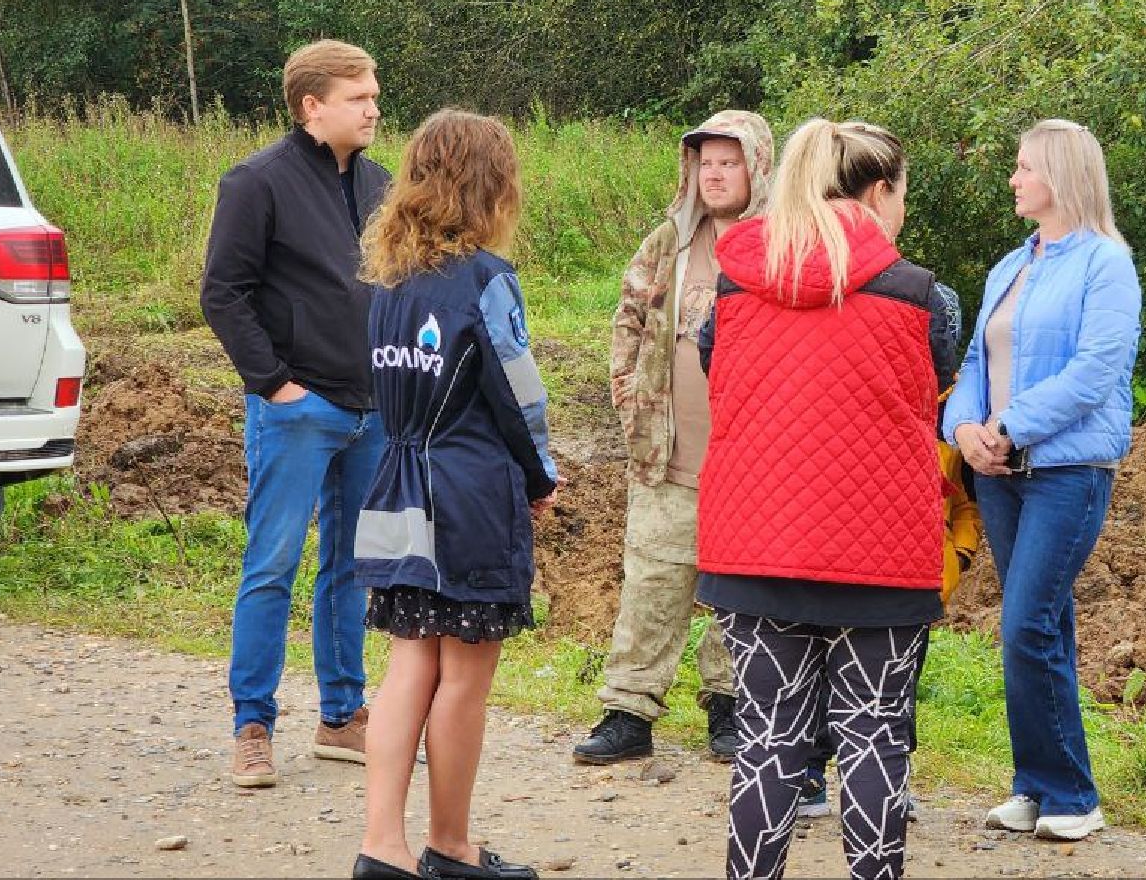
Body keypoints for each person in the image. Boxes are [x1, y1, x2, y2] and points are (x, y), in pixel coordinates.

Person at [696, 118, 961, 880]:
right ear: (879, 192)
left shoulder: (734, 284)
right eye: (902, 193)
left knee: (766, 743)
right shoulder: (922, 297)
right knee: (875, 738)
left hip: (754, 543)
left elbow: (718, 378)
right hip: (881, 556)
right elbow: (934, 389)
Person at [350, 110, 558, 880]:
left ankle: (381, 846)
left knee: (408, 665)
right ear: (491, 185)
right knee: (464, 676)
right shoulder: (487, 281)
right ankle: (451, 844)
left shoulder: (389, 281)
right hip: (467, 490)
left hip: (396, 481)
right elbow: (519, 397)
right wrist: (540, 479)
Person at [942, 119, 1141, 842]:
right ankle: (1036, 787)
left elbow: (1094, 373)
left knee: (1025, 624)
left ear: (1060, 175)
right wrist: (965, 432)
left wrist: (1009, 425)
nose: (1013, 179)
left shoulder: (1105, 264)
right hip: (999, 473)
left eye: (1024, 168)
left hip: (1065, 470)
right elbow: (971, 365)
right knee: (1041, 626)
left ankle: (1071, 795)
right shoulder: (1008, 266)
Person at [200, 39, 389, 787]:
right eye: (358, 96)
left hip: (371, 409)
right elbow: (223, 292)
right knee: (272, 565)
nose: (373, 107)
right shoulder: (257, 182)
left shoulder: (380, 183)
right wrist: (275, 384)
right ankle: (252, 724)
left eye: (374, 94)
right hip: (296, 408)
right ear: (312, 105)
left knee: (351, 569)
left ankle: (342, 717)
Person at [572, 110, 774, 766]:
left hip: (752, 459)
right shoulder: (668, 244)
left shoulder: (779, 246)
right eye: (704, 163)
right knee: (653, 579)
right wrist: (631, 404)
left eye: (729, 162)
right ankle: (628, 713)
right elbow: (626, 324)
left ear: (758, 167)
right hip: (666, 452)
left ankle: (729, 706)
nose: (714, 175)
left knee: (739, 587)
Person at [798, 398, 984, 819]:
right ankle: (809, 772)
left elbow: (966, 501)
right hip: (841, 555)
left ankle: (889, 778)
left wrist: (961, 553)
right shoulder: (865, 398)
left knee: (897, 681)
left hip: (917, 577)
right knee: (818, 668)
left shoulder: (957, 413)